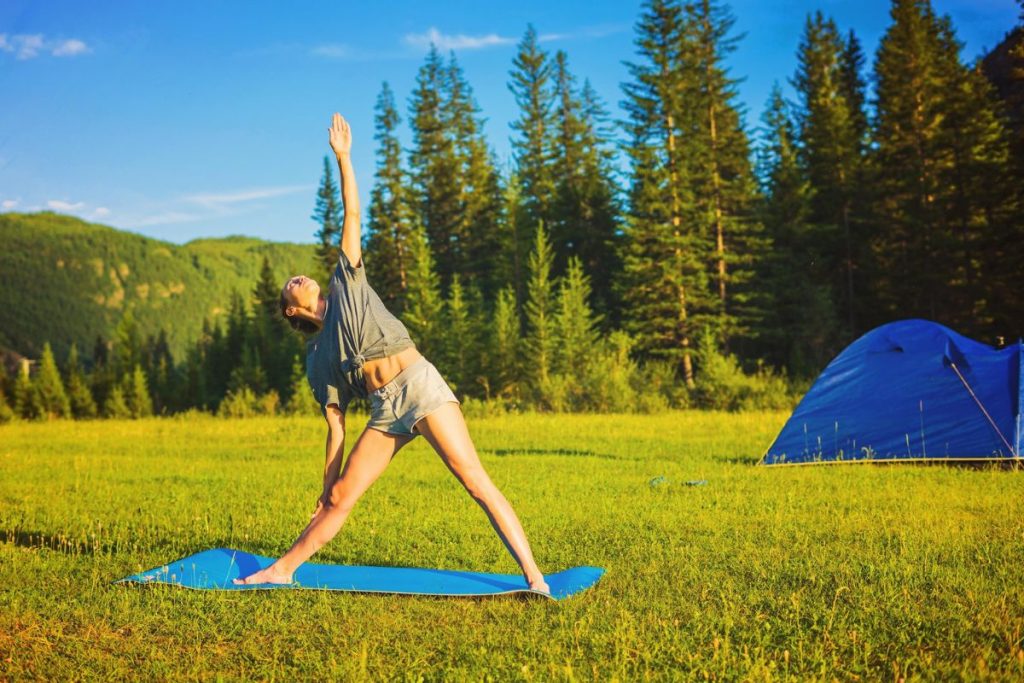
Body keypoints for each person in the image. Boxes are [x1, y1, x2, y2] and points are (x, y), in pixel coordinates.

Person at [233, 113, 549, 593]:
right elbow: (335, 426)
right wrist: (324, 487)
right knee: (340, 497)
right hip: (385, 409)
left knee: (474, 481)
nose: (298, 277)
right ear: (290, 312)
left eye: (298, 275)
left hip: (419, 385)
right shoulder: (318, 358)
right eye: (289, 285)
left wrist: (343, 159)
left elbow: (352, 215)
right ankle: (281, 569)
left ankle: (534, 577)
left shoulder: (346, 280)